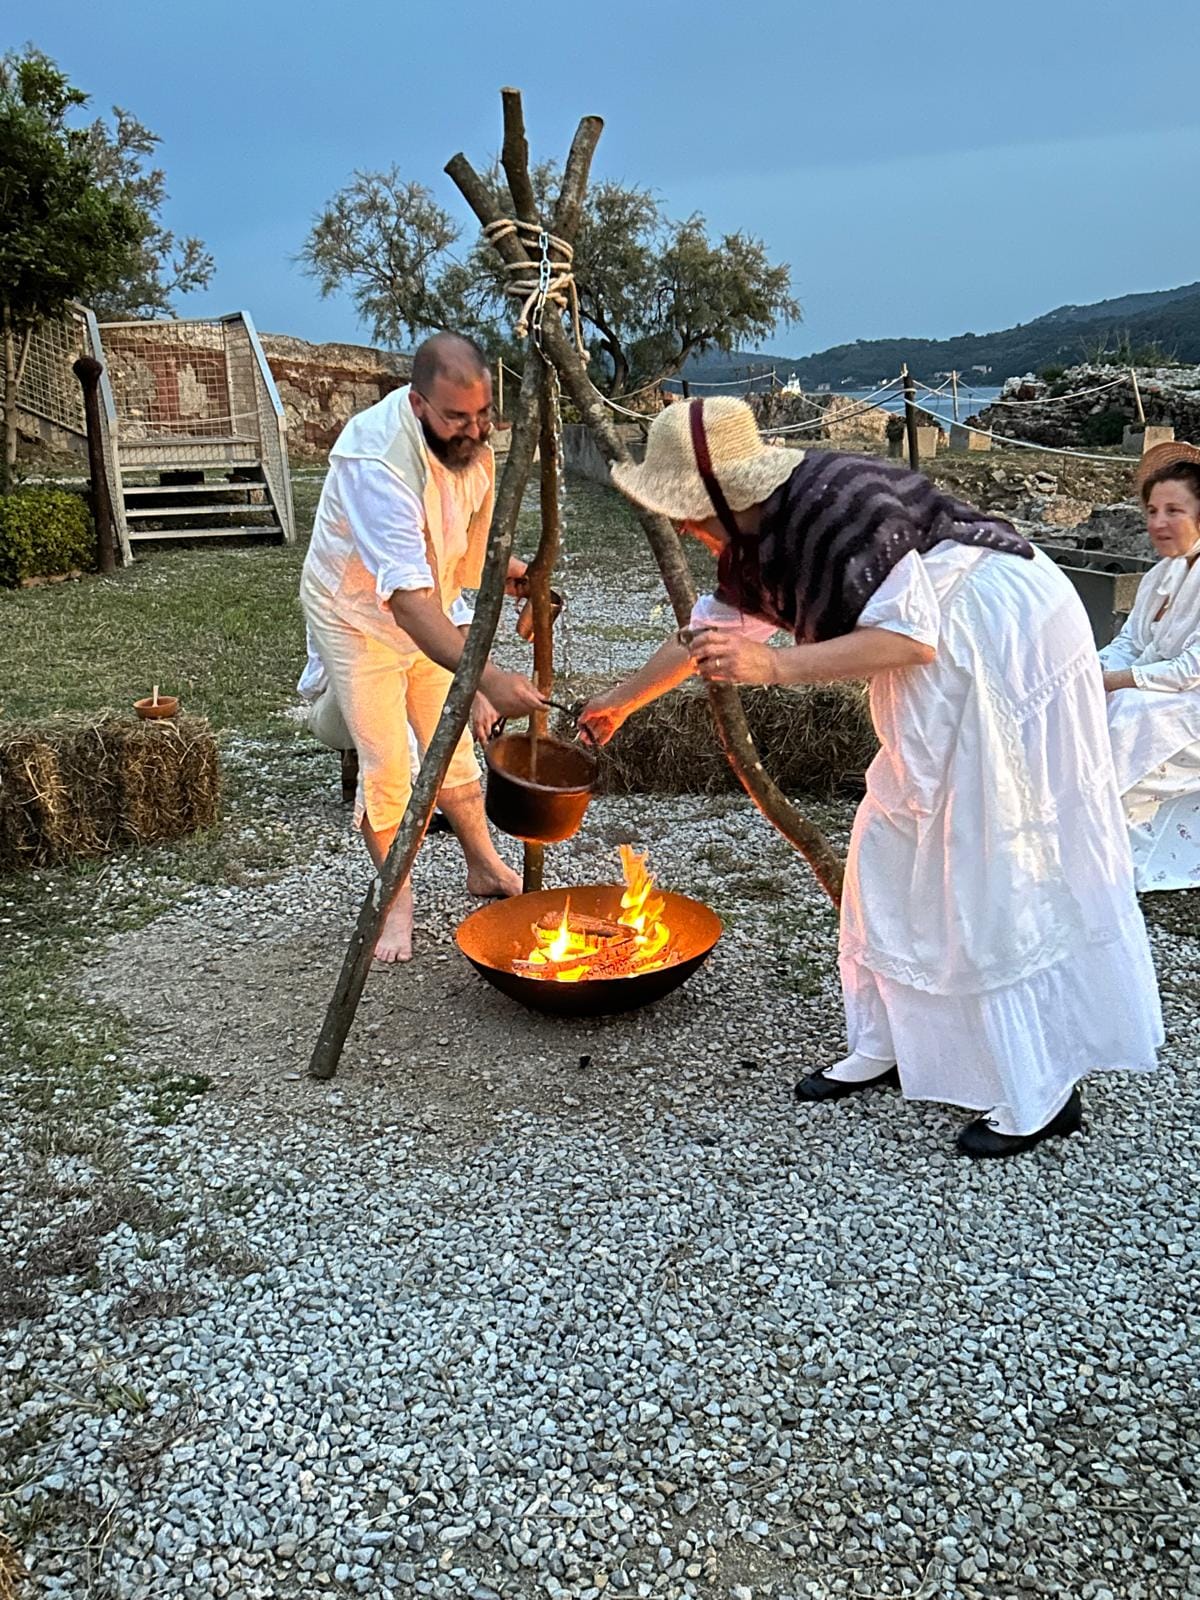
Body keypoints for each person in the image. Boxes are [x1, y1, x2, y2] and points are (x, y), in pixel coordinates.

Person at [579, 398, 1162, 1158]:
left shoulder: (838, 512)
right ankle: (891, 1041)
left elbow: (910, 640)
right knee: (891, 840)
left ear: (724, 494)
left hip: (996, 639)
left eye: (685, 508)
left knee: (989, 846)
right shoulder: (757, 537)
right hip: (937, 646)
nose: (684, 527)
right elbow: (704, 635)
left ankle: (1040, 1086)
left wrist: (775, 666)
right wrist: (619, 703)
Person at [299, 331, 544, 962]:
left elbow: (466, 550)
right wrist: (489, 678)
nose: (474, 431)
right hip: (357, 617)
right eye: (457, 418)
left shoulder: (473, 447)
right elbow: (406, 603)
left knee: (450, 739)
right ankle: (396, 899)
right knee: (388, 762)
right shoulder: (378, 463)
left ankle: (483, 866)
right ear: (417, 404)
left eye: (483, 414)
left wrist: (514, 572)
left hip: (428, 605)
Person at [1099, 440, 1200, 892]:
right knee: (1087, 702)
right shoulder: (1162, 574)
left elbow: (1189, 669)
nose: (1158, 522)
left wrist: (1114, 681)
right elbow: (1131, 642)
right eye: (1153, 510)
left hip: (1191, 698)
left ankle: (1103, 845)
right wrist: (1087, 670)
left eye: (1174, 511)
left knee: (1128, 712)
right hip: (1166, 691)